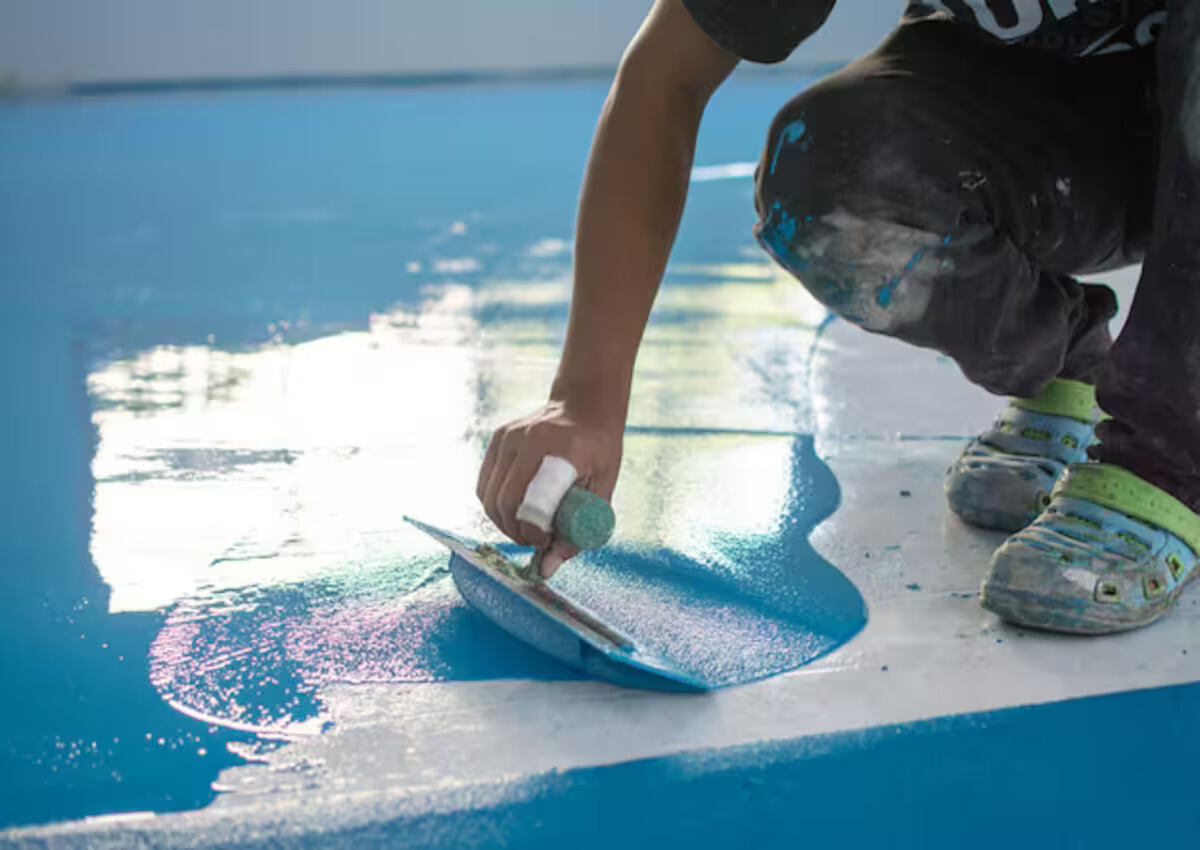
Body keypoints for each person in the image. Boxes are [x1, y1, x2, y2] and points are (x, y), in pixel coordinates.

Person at [477, 0, 1199, 635]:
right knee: (832, 180)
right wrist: (586, 400)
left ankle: (1174, 454)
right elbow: (666, 79)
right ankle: (1071, 361)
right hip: (1080, 133)